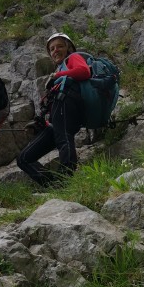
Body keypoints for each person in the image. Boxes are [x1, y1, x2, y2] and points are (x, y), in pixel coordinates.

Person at [16, 32, 91, 187]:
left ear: (69, 48)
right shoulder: (61, 70)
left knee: (64, 138)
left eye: (60, 46)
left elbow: (84, 71)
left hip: (67, 104)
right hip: (56, 115)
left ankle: (66, 181)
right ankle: (54, 186)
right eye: (52, 48)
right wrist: (39, 123)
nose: (55, 50)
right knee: (24, 158)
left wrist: (57, 75)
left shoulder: (73, 58)